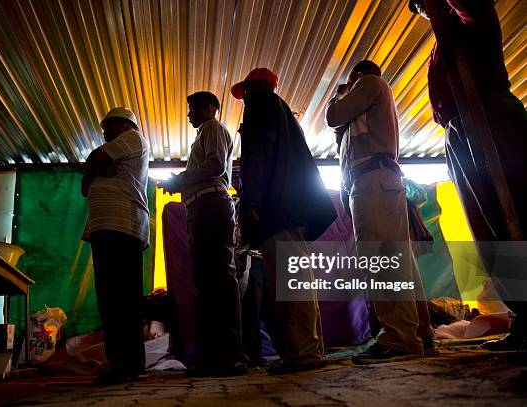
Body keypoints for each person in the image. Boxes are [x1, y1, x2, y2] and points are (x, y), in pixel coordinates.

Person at [409, 0, 527, 351]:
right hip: (462, 126)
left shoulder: (472, 17)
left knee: (514, 217)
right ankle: (522, 316)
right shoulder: (443, 38)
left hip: (488, 116)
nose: (424, 9)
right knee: (487, 225)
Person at [325, 60, 433, 364]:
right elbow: (341, 132)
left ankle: (399, 337)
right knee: (399, 260)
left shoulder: (369, 83)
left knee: (381, 259)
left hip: (371, 181)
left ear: (357, 76)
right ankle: (421, 332)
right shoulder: (367, 112)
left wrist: (337, 94)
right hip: (378, 181)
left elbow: (333, 116)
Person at [231, 68, 337, 375]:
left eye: (247, 92)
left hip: (277, 210)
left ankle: (303, 354)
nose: (245, 99)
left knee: (292, 285)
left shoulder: (260, 107)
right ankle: (309, 348)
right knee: (300, 281)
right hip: (294, 210)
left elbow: (257, 157)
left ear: (257, 87)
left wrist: (250, 203)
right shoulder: (285, 115)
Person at [158, 91, 248, 376]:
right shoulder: (205, 133)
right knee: (210, 282)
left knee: (218, 280)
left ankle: (230, 356)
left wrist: (180, 179)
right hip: (202, 206)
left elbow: (215, 166)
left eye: (192, 108)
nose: (189, 115)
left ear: (210, 108)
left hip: (211, 205)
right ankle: (215, 356)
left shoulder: (212, 128)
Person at [81, 107, 150, 384]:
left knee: (125, 299)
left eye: (109, 127)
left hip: (124, 226)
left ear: (125, 125)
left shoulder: (133, 138)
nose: (104, 133)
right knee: (109, 299)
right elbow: (85, 186)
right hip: (105, 229)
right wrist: (93, 169)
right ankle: (119, 363)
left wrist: (94, 165)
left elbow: (93, 158)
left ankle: (131, 364)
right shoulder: (116, 147)